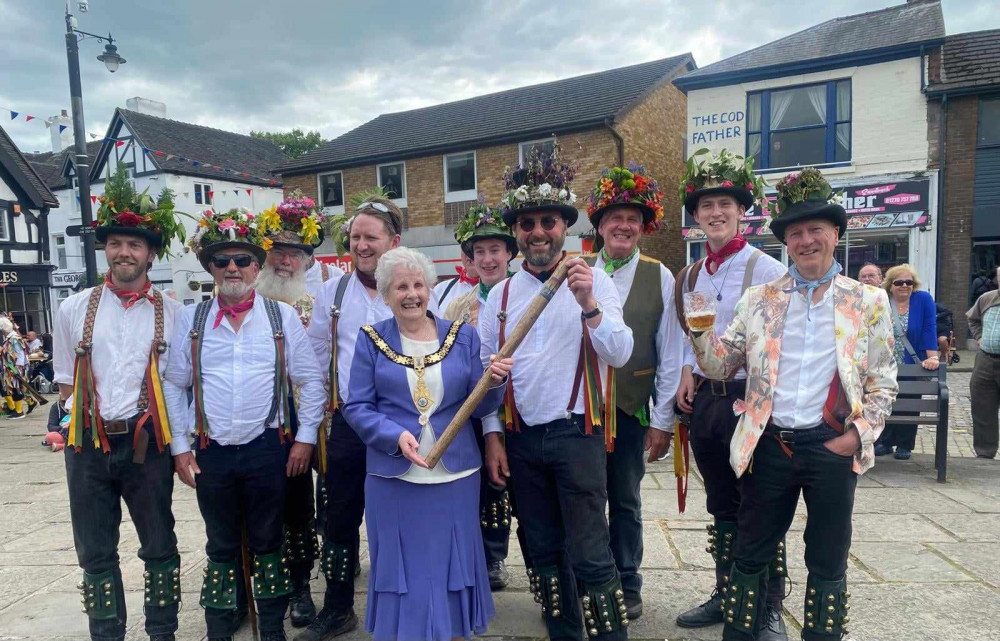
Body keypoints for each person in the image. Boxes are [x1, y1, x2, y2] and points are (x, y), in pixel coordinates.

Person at [688, 166, 898, 641]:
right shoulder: (760, 298)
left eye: (815, 230)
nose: (806, 241)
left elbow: (882, 382)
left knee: (827, 557)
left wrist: (856, 437)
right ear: (786, 241)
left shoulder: (867, 301)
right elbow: (721, 367)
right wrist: (700, 332)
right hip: (770, 445)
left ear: (835, 234)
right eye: (796, 232)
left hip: (830, 447)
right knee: (750, 553)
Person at [479, 142, 635, 641]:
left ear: (565, 227)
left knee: (590, 549)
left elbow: (620, 353)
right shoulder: (499, 295)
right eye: (527, 224)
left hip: (578, 433)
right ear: (517, 234)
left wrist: (589, 302)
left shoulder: (595, 279)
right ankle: (564, 632)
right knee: (541, 548)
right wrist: (494, 438)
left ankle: (610, 636)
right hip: (521, 439)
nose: (538, 232)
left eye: (548, 222)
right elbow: (486, 380)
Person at [165, 208, 326, 641]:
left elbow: (310, 381)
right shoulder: (191, 319)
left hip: (266, 449)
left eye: (242, 260)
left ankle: (271, 629)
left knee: (268, 541)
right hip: (211, 452)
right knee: (219, 545)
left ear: (257, 266)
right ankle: (220, 627)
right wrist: (180, 448)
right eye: (222, 261)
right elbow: (174, 385)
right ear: (211, 268)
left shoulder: (281, 318)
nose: (233, 268)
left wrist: (305, 439)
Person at [343, 247, 511, 640]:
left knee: (451, 564)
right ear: (386, 294)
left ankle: (451, 631)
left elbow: (478, 405)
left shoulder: (463, 337)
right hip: (393, 477)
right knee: (404, 567)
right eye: (401, 286)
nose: (411, 293)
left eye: (418, 284)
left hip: (456, 474)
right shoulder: (370, 340)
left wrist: (496, 382)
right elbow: (357, 406)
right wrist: (393, 435)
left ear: (430, 289)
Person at [53, 175, 185, 641]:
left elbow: (180, 384)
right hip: (86, 444)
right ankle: (106, 634)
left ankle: (163, 632)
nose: (123, 252)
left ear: (151, 254)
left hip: (147, 444)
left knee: (159, 542)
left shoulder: (173, 311)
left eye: (134, 244)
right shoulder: (73, 308)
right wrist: (63, 428)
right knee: (94, 550)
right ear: (104, 250)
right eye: (114, 243)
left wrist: (183, 446)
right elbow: (67, 384)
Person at [301, 198, 438, 641]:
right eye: (355, 237)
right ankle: (338, 607)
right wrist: (319, 420)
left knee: (404, 515)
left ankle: (412, 603)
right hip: (351, 423)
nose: (360, 245)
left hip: (408, 425)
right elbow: (317, 357)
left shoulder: (411, 285)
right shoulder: (333, 292)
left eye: (370, 237)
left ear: (393, 241)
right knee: (339, 517)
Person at [672, 151, 787, 639]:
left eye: (724, 204)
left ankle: (768, 605)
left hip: (750, 399)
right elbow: (686, 333)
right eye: (706, 206)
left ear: (742, 211)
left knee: (758, 503)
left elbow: (778, 339)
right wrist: (684, 371)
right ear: (696, 217)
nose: (715, 213)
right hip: (708, 402)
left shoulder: (764, 268)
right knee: (720, 502)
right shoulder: (692, 274)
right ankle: (727, 592)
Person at [584, 163, 682, 619]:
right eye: (614, 218)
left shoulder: (659, 275)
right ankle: (588, 576)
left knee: (625, 498)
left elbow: (671, 350)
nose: (623, 226)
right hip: (580, 409)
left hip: (628, 408)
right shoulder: (577, 271)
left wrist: (662, 420)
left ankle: (628, 580)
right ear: (600, 225)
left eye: (633, 220)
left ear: (644, 227)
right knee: (584, 495)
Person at [442, 201, 526, 591]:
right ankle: (490, 556)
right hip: (480, 410)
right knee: (487, 483)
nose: (488, 259)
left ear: (511, 253)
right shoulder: (457, 306)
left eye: (496, 250)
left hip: (526, 410)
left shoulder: (530, 294)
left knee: (523, 489)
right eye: (480, 252)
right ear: (470, 259)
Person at [254, 195, 330, 628]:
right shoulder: (243, 292)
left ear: (306, 259)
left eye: (294, 253)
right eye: (277, 252)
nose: (285, 261)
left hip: (307, 418)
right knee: (260, 506)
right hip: (256, 421)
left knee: (301, 506)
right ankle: (261, 585)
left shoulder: (319, 297)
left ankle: (301, 587)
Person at [873, 264, 938, 461]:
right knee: (884, 400)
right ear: (890, 285)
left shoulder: (923, 300)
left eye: (909, 282)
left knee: (909, 402)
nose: (904, 286)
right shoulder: (882, 299)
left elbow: (929, 327)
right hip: (885, 362)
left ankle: (904, 444)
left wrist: (932, 356)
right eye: (899, 282)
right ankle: (883, 441)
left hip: (911, 360)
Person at [965, 266, 1000, 459]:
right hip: (986, 359)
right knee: (982, 408)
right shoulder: (987, 298)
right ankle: (985, 454)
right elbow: (973, 319)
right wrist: (979, 337)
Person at [0, 318, 33, 418]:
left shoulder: (14, 338)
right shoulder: (10, 338)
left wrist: (17, 369)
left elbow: (20, 354)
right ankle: (20, 409)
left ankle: (19, 412)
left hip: (15, 368)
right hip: (10, 367)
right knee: (14, 388)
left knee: (16, 388)